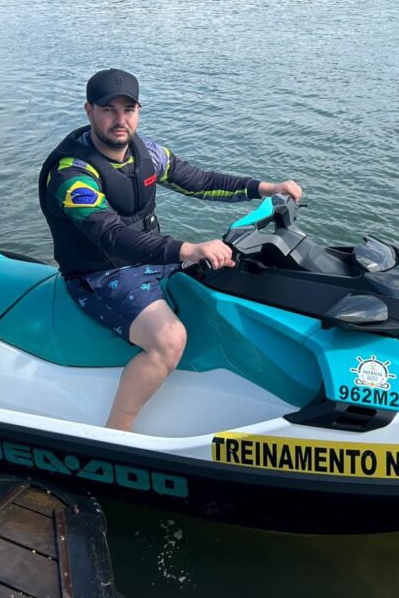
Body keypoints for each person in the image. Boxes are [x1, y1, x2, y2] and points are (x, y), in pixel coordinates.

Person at [39, 68, 301, 432]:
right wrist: (187, 249)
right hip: (99, 274)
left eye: (128, 109)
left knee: (231, 281)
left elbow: (200, 182)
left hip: (151, 258)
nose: (120, 119)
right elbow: (111, 237)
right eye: (108, 109)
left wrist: (264, 188)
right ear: (89, 111)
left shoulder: (147, 153)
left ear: (138, 111)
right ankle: (117, 433)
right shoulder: (72, 175)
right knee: (169, 340)